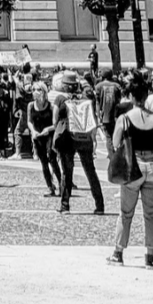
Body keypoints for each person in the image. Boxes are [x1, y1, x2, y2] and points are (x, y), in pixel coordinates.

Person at [107, 76, 153, 268]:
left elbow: (115, 143)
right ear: (146, 96)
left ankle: (118, 252)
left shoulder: (125, 118)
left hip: (134, 167)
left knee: (126, 212)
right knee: (151, 213)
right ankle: (150, 256)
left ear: (131, 96)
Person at [55, 75, 105, 214]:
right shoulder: (86, 100)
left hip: (68, 138)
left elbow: (55, 119)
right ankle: (100, 205)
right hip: (85, 138)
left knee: (67, 172)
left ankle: (65, 205)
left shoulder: (61, 99)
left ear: (64, 85)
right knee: (90, 172)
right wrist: (93, 139)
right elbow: (93, 120)